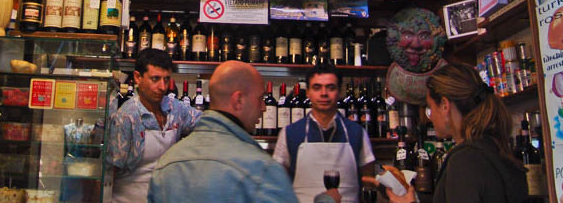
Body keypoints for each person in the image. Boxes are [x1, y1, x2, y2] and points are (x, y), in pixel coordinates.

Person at [148, 61, 341, 203]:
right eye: (260, 98)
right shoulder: (260, 169)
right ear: (238, 100)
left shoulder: (167, 163)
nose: (264, 108)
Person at [385, 63, 527, 203]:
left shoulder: (465, 160)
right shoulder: (498, 149)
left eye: (431, 107)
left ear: (445, 106)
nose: (431, 116)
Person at [107, 49, 202, 203]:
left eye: (166, 79)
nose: (162, 87)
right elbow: (110, 173)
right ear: (138, 77)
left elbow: (205, 123)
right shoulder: (126, 117)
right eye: (155, 79)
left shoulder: (175, 109)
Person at [273, 64, 375, 203]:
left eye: (330, 87)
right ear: (308, 92)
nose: (324, 93)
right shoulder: (289, 133)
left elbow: (369, 181)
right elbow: (278, 184)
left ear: (339, 92)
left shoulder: (357, 133)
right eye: (317, 87)